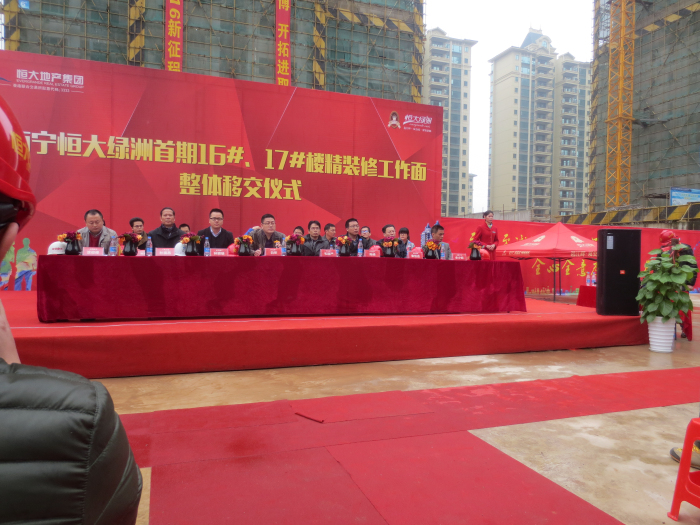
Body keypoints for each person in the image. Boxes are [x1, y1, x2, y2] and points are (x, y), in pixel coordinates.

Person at [0, 94, 142, 524]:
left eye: (98, 222)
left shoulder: (115, 236)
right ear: (9, 238)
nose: (95, 227)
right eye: (92, 222)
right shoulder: (83, 414)